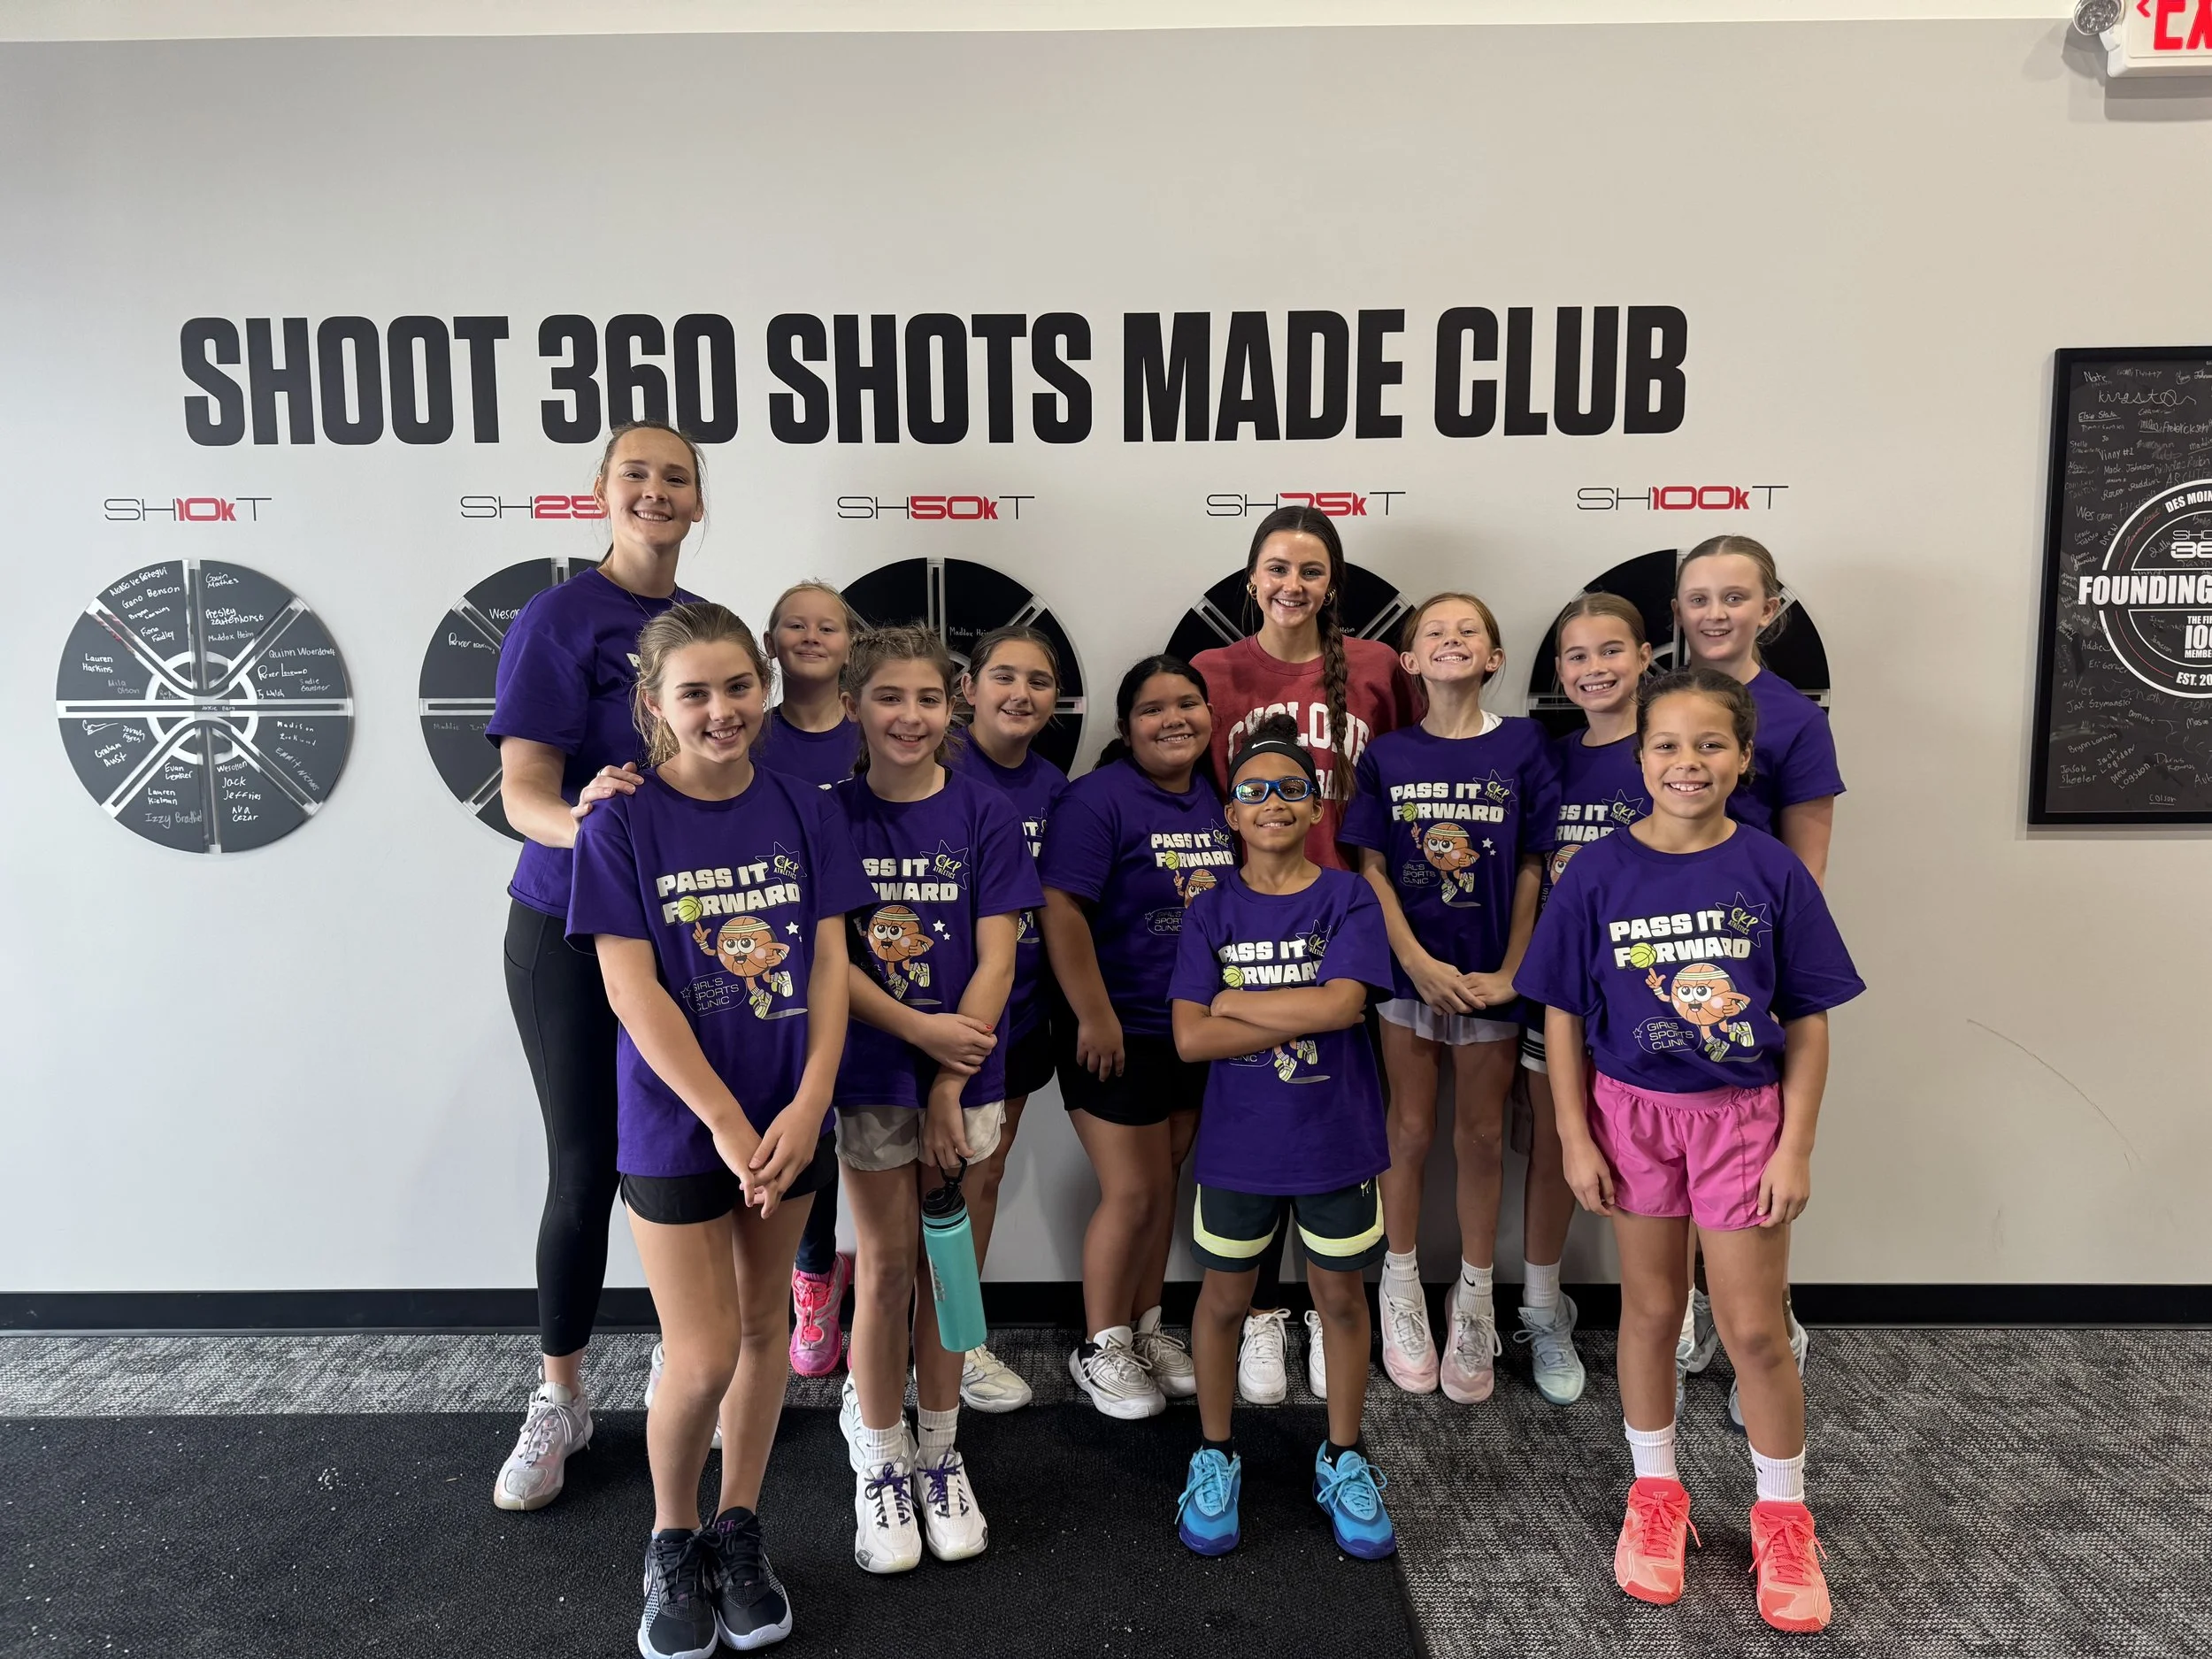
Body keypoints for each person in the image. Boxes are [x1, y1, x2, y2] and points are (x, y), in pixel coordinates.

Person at [1517, 667, 1863, 1633]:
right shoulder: (1594, 873)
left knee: (1753, 1332)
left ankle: (1783, 1516)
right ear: (1639, 759)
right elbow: (1559, 1012)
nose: (1688, 761)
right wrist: (1575, 1134)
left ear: (1744, 759)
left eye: (1710, 744)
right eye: (1667, 744)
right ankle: (1656, 1496)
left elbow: (1808, 1019)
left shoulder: (1770, 869)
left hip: (1742, 1119)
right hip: (1630, 1120)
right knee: (1653, 1311)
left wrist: (1794, 1147)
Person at [567, 602, 872, 1658]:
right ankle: (672, 1536)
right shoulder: (618, 823)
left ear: (764, 688)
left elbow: (832, 964)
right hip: (680, 1126)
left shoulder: (804, 807)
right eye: (693, 692)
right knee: (697, 1356)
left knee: (760, 1337)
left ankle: (739, 1526)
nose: (720, 709)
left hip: (786, 1121)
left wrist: (806, 1103)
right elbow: (628, 985)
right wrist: (728, 1120)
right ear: (654, 705)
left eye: (737, 686)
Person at [487, 419, 708, 1512]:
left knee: (677, 1164)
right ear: (601, 494)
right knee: (584, 1169)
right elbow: (520, 788)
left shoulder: (707, 630)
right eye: (636, 475)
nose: (656, 492)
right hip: (565, 929)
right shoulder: (557, 618)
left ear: (698, 504)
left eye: (676, 478)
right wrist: (591, 824)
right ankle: (561, 1398)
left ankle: (686, 1368)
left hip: (679, 936)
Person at [1188, 506, 1421, 1405]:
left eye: (1312, 571)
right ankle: (1259, 1319)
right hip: (1241, 922)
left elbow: (1399, 777)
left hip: (1343, 924)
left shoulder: (1372, 669)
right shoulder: (1213, 673)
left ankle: (1334, 1317)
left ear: (1334, 584)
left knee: (1328, 1124)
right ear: (1251, 578)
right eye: (1277, 568)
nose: (1293, 585)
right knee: (1248, 1130)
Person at [829, 626, 1042, 1574]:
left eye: (924, 699)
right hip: (874, 1076)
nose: (907, 717)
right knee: (882, 1272)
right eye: (888, 698)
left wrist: (953, 1079)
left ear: (949, 706)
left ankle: (939, 1449)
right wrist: (919, 1040)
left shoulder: (985, 813)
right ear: (852, 707)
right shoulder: (826, 814)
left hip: (970, 1078)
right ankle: (878, 1456)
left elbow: (998, 956)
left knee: (950, 1274)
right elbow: (828, 961)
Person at [1168, 714, 1400, 1561]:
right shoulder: (1210, 909)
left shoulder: (1346, 896)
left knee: (1340, 1300)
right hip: (1239, 1147)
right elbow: (1189, 1037)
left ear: (1316, 804)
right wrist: (1269, 1008)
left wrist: (1233, 1001)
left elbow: (1342, 1007)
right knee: (1225, 1300)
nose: (1272, 802)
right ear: (1232, 812)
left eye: (1290, 789)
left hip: (1336, 1139)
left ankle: (1341, 1456)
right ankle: (1216, 1452)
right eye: (1254, 790)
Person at [1340, 593, 1576, 1408]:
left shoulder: (1523, 745)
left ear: (1495, 657)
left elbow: (1531, 864)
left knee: (1479, 1135)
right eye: (1431, 631)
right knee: (1406, 1128)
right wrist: (1410, 958)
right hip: (1410, 974)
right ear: (1408, 661)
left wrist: (1515, 969)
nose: (1449, 640)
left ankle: (1474, 1296)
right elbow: (1369, 865)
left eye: (1467, 630)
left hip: (1491, 979)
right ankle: (1399, 1284)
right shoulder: (1389, 754)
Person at [1673, 537, 1846, 1422]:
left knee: (1752, 1157)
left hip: (1748, 970)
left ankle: (1770, 1327)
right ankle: (1701, 1315)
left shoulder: (1792, 720)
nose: (1714, 612)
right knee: (1676, 1149)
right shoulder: (1651, 706)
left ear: (1768, 610)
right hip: (1664, 964)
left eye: (1733, 597)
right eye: (1698, 597)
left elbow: (1805, 864)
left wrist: (1772, 973)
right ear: (1677, 609)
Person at [1039, 656, 1227, 1419]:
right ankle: (1101, 1343)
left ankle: (1148, 1329)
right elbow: (1061, 909)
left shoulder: (1216, 797)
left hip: (1193, 1028)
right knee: (1135, 1189)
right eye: (1153, 709)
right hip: (1116, 1029)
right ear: (1126, 727)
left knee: (1165, 1184)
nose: (1173, 718)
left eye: (1187, 702)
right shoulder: (1098, 800)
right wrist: (1094, 1014)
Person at [942, 624, 1071, 1413]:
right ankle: (893, 1339)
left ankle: (961, 1336)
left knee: (983, 1171)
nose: (1020, 693)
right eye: (1004, 676)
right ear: (970, 688)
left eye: (1039, 681)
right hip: (926, 1015)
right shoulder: (930, 765)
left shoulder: (1056, 787)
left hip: (1017, 1015)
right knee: (915, 1184)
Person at [753, 580, 864, 1383]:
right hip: (786, 958)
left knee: (885, 1127)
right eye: (797, 622)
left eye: (829, 624)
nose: (813, 635)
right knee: (807, 1131)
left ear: (851, 643)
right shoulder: (747, 734)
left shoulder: (876, 732)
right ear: (772, 639)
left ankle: (904, 1295)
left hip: (884, 947)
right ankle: (814, 1277)